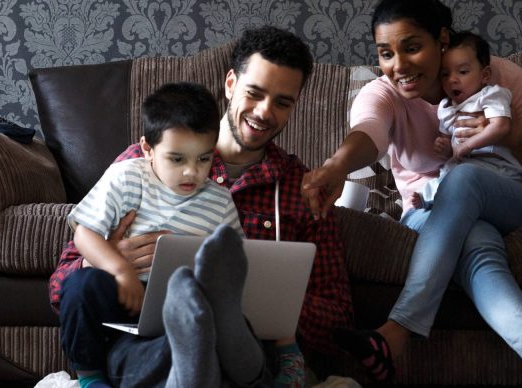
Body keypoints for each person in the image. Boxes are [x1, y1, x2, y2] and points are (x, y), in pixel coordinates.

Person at [301, 1, 522, 387]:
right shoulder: (382, 93)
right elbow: (368, 132)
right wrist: (335, 167)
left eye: (411, 47)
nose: (398, 65)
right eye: (385, 53)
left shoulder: (497, 79)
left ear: (442, 39)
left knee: (463, 179)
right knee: (477, 240)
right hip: (428, 211)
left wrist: (513, 137)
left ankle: (396, 331)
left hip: (514, 201)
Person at [48, 26, 354, 387]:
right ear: (229, 84)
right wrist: (112, 262)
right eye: (254, 93)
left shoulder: (302, 189)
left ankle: (208, 332)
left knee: (225, 341)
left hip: (242, 343)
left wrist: (265, 301)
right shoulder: (146, 164)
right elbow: (60, 288)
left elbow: (339, 317)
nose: (264, 112)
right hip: (145, 344)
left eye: (282, 102)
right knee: (173, 348)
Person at [59, 81, 244, 388]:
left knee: (204, 336)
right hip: (122, 301)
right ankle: (89, 377)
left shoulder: (220, 202)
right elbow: (84, 235)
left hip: (179, 315)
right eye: (177, 159)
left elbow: (237, 263)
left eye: (204, 158)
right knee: (80, 284)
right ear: (147, 149)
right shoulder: (127, 176)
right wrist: (120, 271)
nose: (192, 172)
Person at [412, 31, 522, 209]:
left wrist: (467, 146)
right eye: (445, 74)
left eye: (462, 72)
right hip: (464, 165)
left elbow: (501, 126)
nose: (452, 80)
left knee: (459, 176)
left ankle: (436, 197)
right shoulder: (447, 108)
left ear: (485, 75)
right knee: (447, 175)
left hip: (498, 167)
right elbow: (450, 144)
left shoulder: (490, 95)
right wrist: (445, 147)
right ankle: (429, 197)